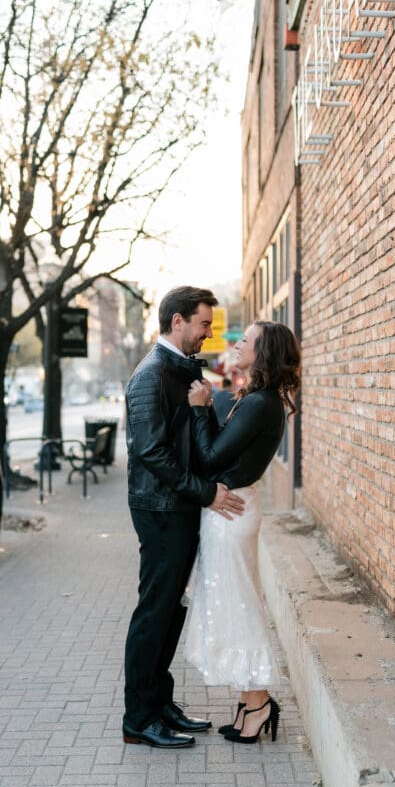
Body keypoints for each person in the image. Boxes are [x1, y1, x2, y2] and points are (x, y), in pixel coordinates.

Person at [122, 286, 245, 749]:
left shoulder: (180, 371)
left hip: (178, 507)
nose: (208, 333)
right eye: (203, 324)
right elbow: (150, 451)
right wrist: (205, 493)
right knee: (154, 611)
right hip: (160, 509)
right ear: (177, 322)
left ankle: (159, 703)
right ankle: (138, 718)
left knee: (170, 610)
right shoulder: (151, 376)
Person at [184, 320, 301, 744]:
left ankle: (259, 703)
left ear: (263, 351)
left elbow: (212, 456)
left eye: (246, 341)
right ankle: (250, 701)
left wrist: (200, 407)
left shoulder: (260, 404)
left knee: (241, 608)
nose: (237, 344)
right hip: (230, 509)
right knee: (233, 606)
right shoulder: (255, 399)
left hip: (231, 513)